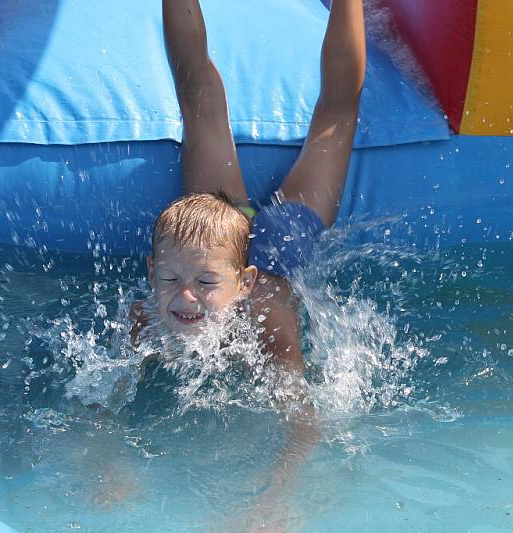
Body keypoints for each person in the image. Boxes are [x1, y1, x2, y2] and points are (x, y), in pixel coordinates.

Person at [126, 0, 365, 528]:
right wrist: (105, 459)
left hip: (283, 248)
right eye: (166, 280)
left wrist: (277, 496)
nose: (182, 299)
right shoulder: (153, 307)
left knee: (337, 115)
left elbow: (304, 420)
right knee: (198, 99)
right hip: (212, 240)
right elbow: (98, 401)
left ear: (243, 284)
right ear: (152, 273)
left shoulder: (268, 320)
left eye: (201, 287)